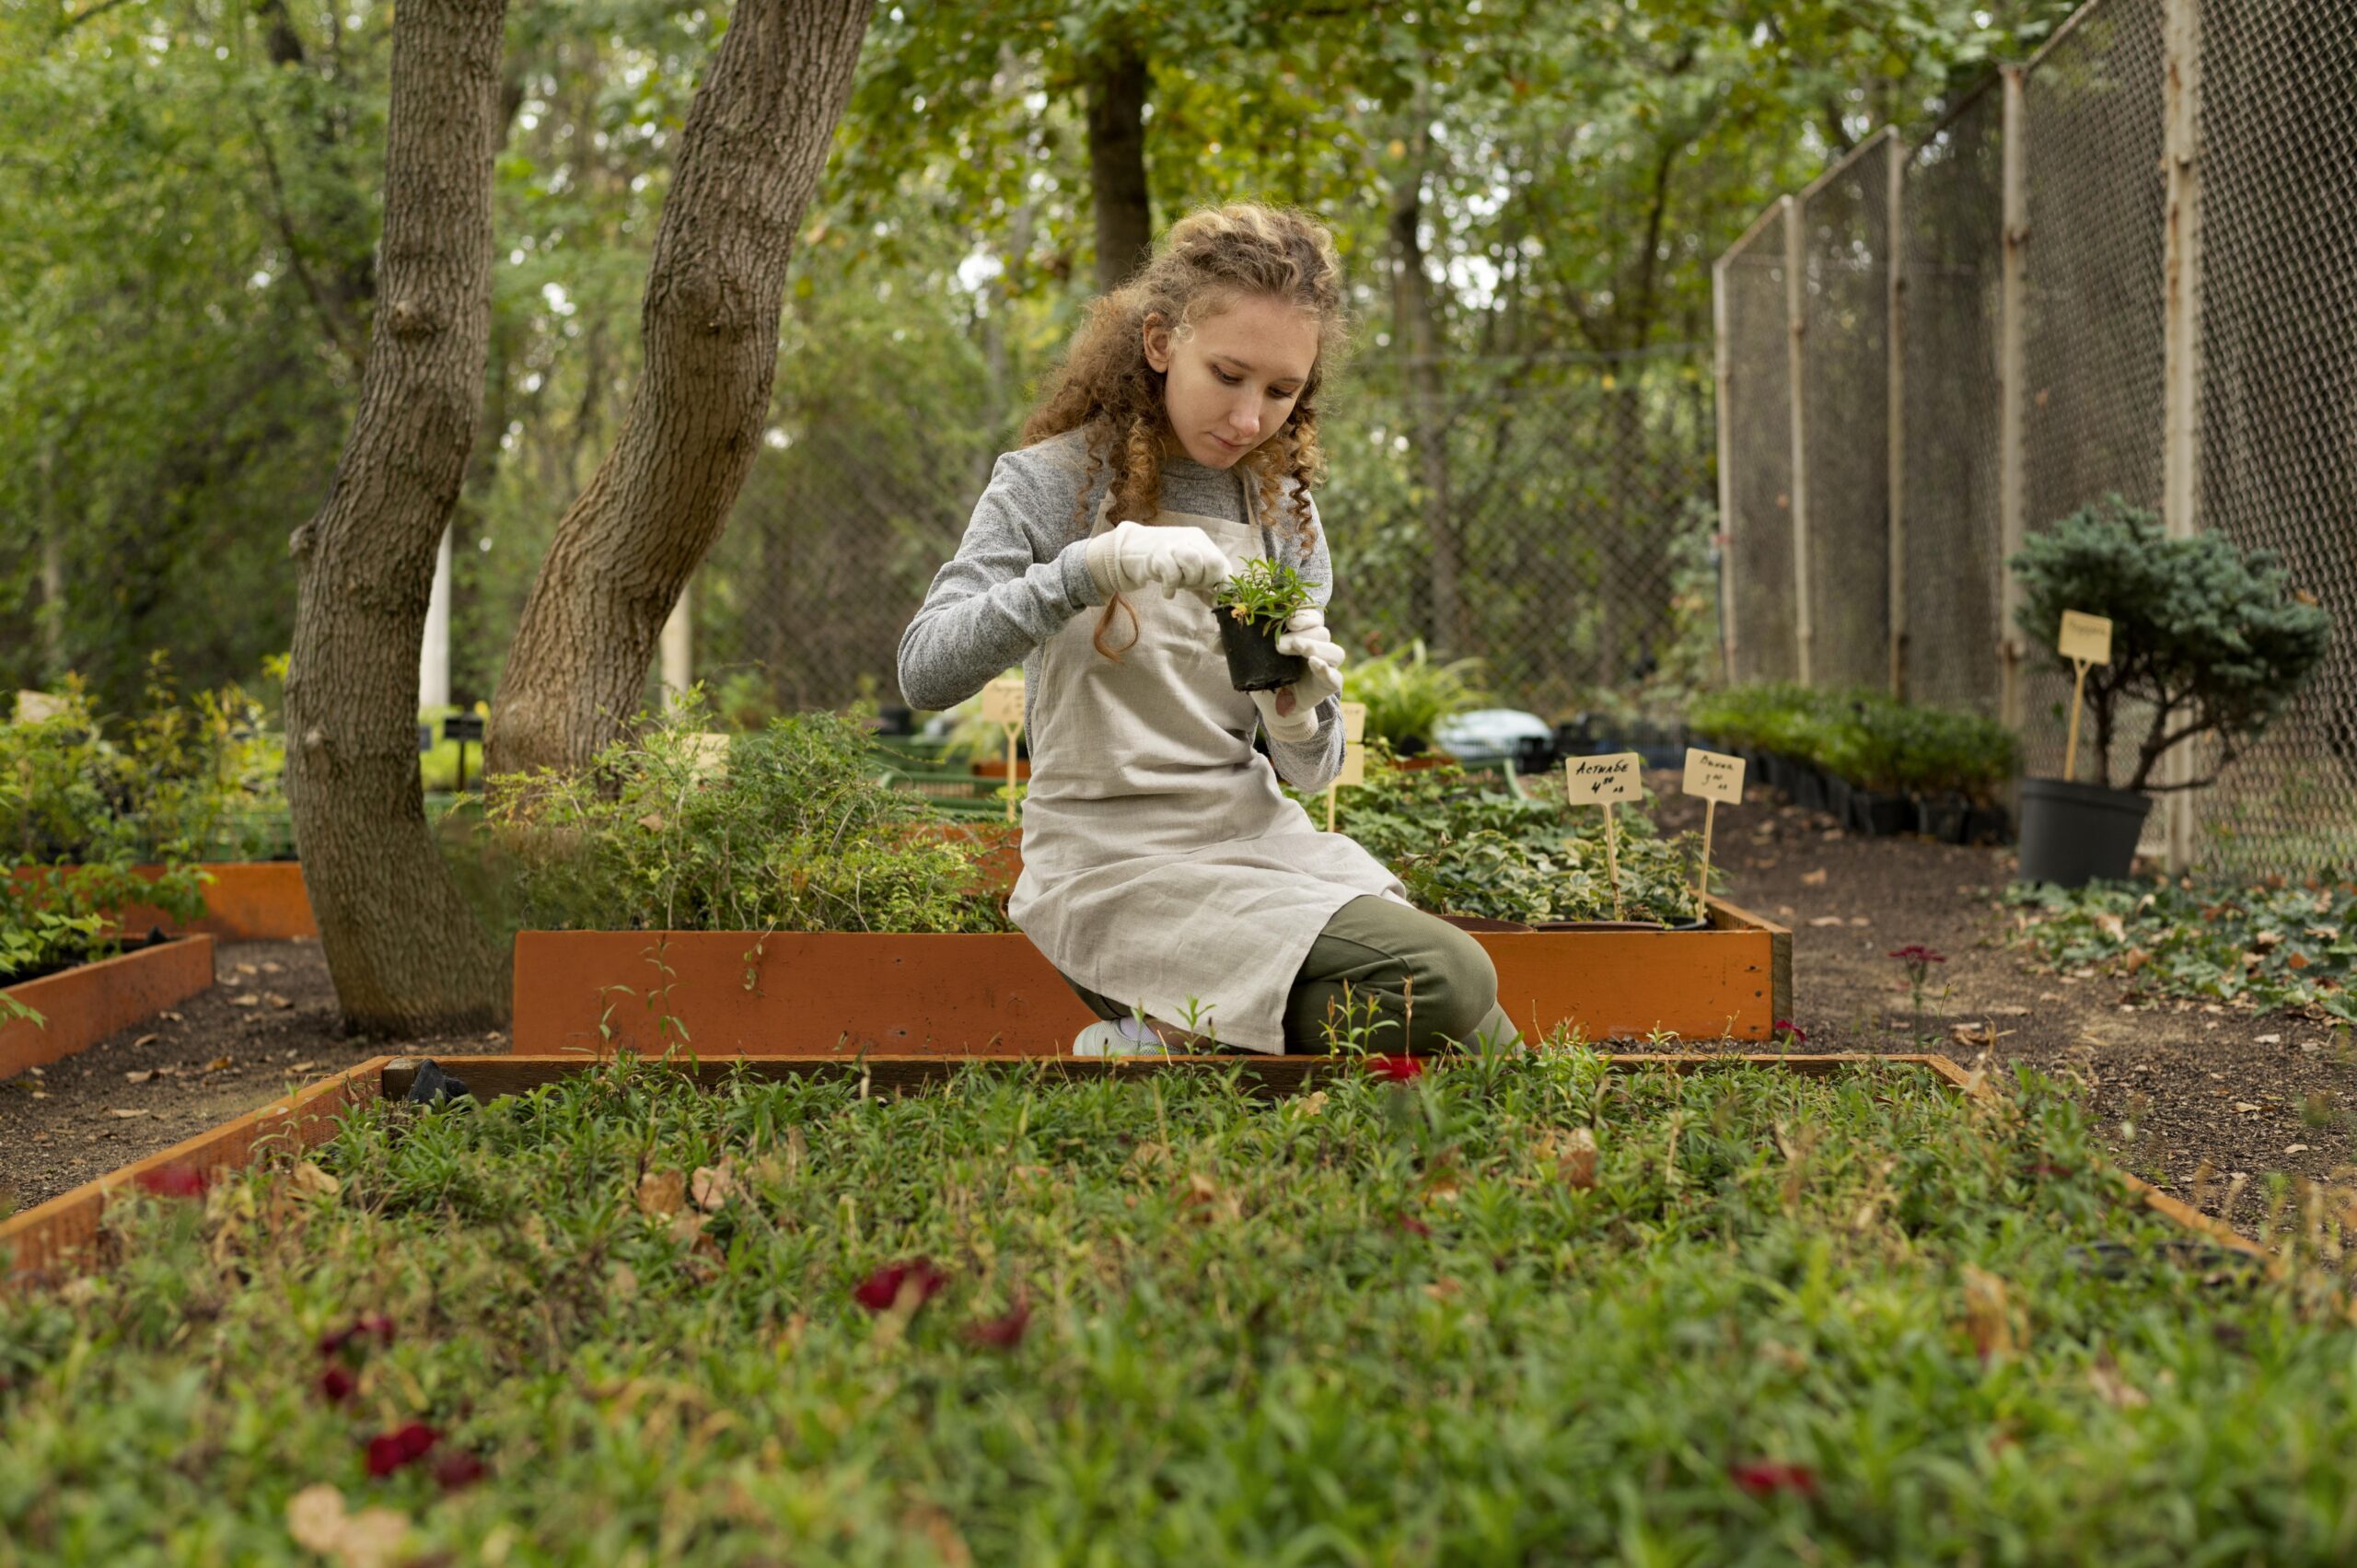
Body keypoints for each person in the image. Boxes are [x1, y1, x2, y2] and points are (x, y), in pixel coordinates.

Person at [899, 203, 1515, 1058]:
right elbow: (925, 669)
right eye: (1227, 374)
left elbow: (1309, 772)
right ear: (1160, 343)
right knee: (1449, 983)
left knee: (1488, 1040)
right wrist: (1083, 572)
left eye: (1282, 390)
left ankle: (1178, 1040)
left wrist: (1301, 711)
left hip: (1249, 843)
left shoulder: (1284, 514)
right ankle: (1184, 1028)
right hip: (1112, 867)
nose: (1251, 416)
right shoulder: (1048, 484)